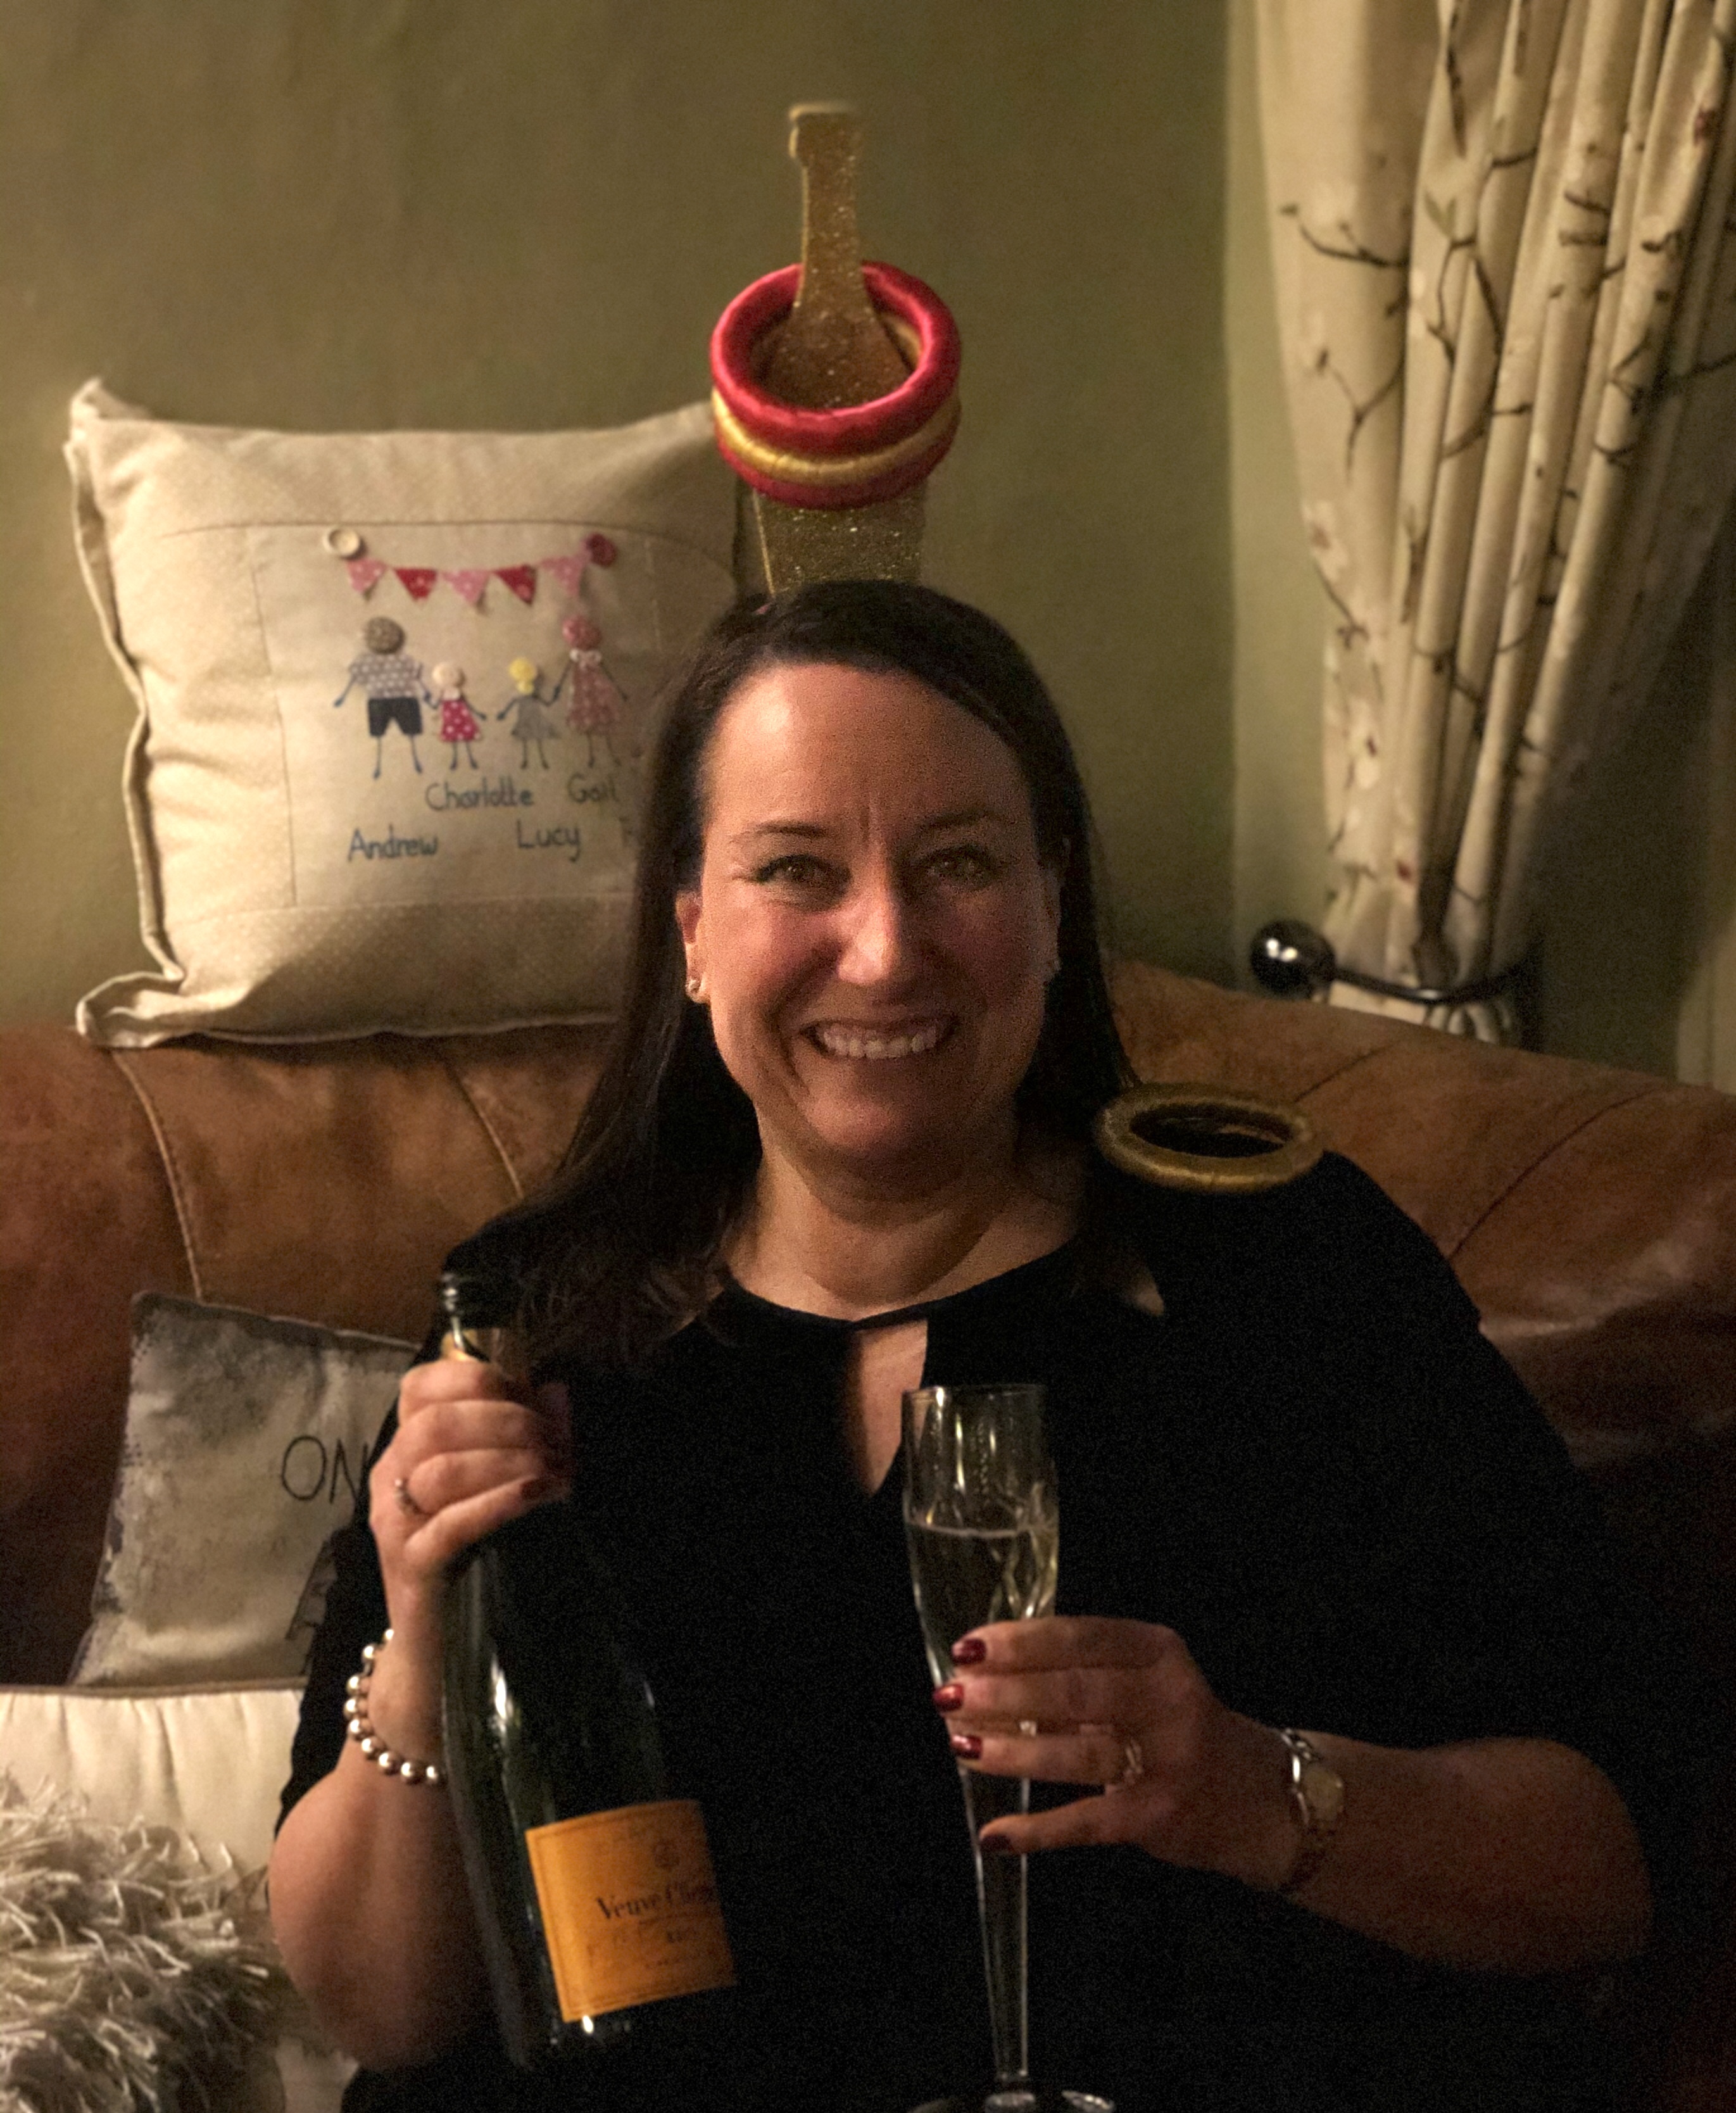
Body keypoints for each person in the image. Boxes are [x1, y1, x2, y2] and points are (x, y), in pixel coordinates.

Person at [271, 581, 1713, 2113]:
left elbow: (1626, 1859)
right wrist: (423, 1648)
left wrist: (1255, 1791)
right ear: (693, 933)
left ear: (1052, 907)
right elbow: (378, 2006)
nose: (884, 950)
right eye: (796, 871)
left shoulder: (1280, 1277)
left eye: (957, 861)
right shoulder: (535, 1322)